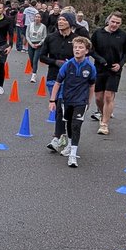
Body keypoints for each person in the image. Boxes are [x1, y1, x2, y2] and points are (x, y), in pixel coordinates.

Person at [49, 35, 97, 167]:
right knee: (69, 124)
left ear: (86, 51)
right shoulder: (67, 65)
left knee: (76, 126)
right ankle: (70, 144)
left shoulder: (90, 67)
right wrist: (52, 100)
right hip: (67, 100)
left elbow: (92, 85)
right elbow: (58, 83)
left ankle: (73, 155)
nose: (77, 50)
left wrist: (88, 101)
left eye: (81, 47)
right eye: (75, 47)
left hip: (81, 101)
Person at [41, 12, 78, 152]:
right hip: (53, 77)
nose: (60, 22)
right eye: (59, 20)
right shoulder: (51, 38)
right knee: (59, 107)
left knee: (61, 106)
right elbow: (42, 57)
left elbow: (83, 56)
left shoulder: (76, 39)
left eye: (63, 20)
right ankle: (63, 136)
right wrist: (55, 62)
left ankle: (57, 138)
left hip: (71, 79)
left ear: (70, 22)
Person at [90, 11, 126, 136]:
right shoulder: (98, 33)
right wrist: (100, 60)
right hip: (99, 69)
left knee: (108, 96)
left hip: (114, 70)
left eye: (117, 23)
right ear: (108, 21)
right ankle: (103, 113)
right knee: (98, 97)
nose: (114, 25)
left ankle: (104, 124)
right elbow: (91, 50)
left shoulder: (123, 35)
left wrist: (120, 64)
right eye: (113, 22)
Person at [25, 9, 48, 83]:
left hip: (39, 44)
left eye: (39, 17)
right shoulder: (30, 25)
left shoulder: (43, 26)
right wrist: (31, 44)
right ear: (34, 18)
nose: (37, 18)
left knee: (35, 60)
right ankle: (33, 69)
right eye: (36, 17)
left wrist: (40, 43)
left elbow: (45, 36)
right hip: (31, 43)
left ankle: (34, 75)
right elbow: (27, 35)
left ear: (41, 19)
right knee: (31, 59)